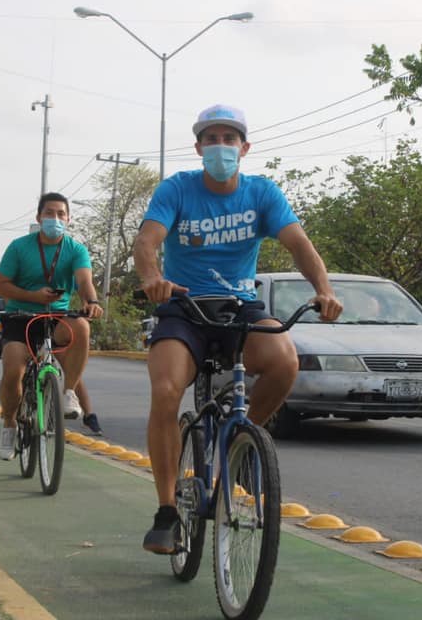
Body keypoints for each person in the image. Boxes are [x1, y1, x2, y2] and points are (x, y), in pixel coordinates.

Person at [133, 104, 343, 554]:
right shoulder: (177, 189)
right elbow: (147, 241)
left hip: (240, 306)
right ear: (198, 148)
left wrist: (323, 289)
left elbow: (299, 246)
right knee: (167, 390)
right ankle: (167, 511)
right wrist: (153, 278)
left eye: (230, 140)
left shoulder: (262, 193)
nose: (220, 147)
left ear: (244, 148)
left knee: (285, 361)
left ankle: (239, 446)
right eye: (212, 139)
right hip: (183, 306)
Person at [0, 192, 104, 461]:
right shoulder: (19, 247)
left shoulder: (75, 249)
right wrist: (34, 296)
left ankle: (68, 393)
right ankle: (9, 424)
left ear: (68, 218)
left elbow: (84, 280)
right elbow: (1, 285)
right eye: (49, 213)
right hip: (21, 316)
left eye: (61, 214)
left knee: (81, 327)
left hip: (57, 317)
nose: (55, 218)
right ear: (38, 217)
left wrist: (91, 301)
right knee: (12, 371)